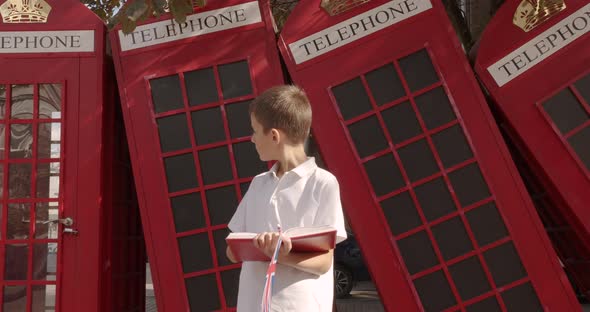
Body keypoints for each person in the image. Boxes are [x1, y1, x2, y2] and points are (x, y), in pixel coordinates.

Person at [227, 85, 347, 312]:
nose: (252, 138)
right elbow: (232, 251)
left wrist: (278, 254)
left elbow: (323, 263)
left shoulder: (323, 183)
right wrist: (250, 246)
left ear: (273, 135)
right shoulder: (258, 183)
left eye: (254, 130)